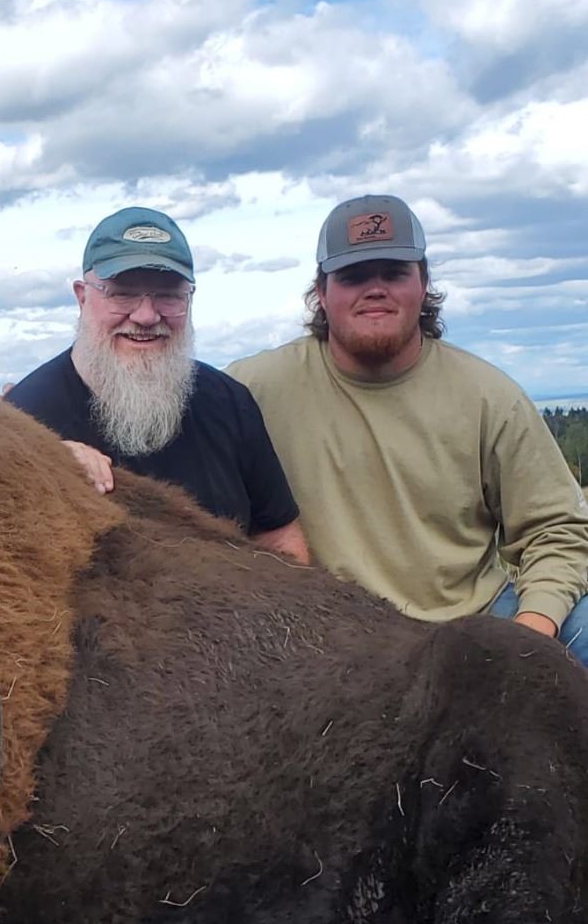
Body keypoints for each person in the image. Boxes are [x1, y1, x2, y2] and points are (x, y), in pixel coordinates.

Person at [229, 193, 588, 664]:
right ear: (322, 292)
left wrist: (529, 636)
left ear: (423, 284)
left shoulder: (488, 395)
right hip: (324, 637)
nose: (375, 289)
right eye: (353, 276)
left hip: (472, 619)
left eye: (394, 273)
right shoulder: (249, 390)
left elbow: (556, 530)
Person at [5, 206, 309, 560]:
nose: (147, 316)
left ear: (189, 299)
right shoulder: (24, 422)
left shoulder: (229, 402)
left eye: (168, 295)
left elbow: (278, 535)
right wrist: (46, 461)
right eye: (122, 293)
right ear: (82, 296)